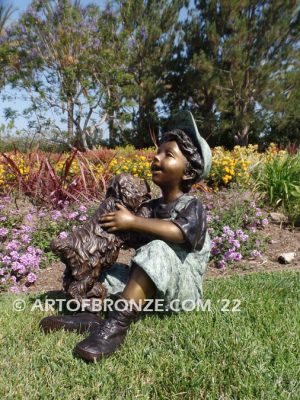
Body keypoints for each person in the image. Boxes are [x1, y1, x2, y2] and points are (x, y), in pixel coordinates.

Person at [40, 110, 212, 362]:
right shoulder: (151, 207)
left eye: (168, 154)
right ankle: (89, 315)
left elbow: (177, 232)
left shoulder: (191, 206)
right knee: (108, 274)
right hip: (150, 293)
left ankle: (115, 327)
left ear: (188, 173)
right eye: (157, 151)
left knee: (156, 250)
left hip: (181, 292)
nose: (157, 157)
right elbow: (126, 234)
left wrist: (133, 221)